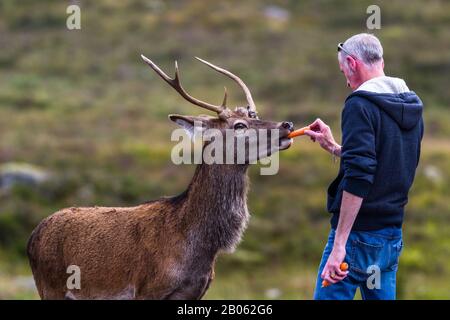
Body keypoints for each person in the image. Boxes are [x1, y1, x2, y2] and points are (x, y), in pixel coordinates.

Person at [306, 33, 424, 300]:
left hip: (358, 237)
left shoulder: (359, 105)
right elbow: (389, 160)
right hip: (391, 237)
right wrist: (335, 148)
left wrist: (340, 245)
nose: (346, 81)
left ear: (352, 62)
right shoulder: (411, 104)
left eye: (343, 72)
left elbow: (359, 176)